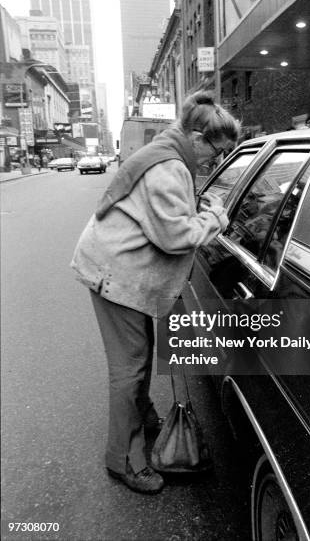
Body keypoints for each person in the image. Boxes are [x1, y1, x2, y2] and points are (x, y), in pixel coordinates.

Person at [70, 91, 239, 495]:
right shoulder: (168, 169)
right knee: (128, 369)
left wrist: (197, 205)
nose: (215, 161)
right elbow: (175, 236)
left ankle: (144, 419)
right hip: (118, 278)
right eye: (215, 152)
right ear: (197, 137)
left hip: (123, 270)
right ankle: (124, 460)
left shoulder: (170, 152)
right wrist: (215, 215)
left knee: (140, 356)